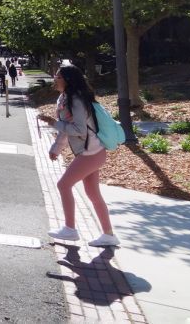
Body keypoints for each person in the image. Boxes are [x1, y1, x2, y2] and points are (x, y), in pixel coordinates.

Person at [37, 65, 119, 247]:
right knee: (92, 193)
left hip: (91, 153)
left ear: (67, 80)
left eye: (57, 76)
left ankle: (70, 229)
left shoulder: (76, 101)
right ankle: (109, 235)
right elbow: (67, 128)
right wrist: (56, 148)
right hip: (91, 153)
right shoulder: (65, 98)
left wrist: (55, 124)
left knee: (63, 184)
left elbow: (79, 130)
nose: (54, 78)